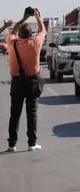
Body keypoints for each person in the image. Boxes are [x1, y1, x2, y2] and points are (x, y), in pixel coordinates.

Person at [6, 8, 46, 152]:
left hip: (17, 82)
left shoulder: (12, 44)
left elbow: (12, 32)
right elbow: (43, 30)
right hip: (32, 82)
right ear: (31, 35)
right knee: (32, 113)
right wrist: (37, 17)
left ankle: (12, 144)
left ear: (20, 35)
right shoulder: (35, 44)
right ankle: (32, 143)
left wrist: (23, 19)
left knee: (14, 114)